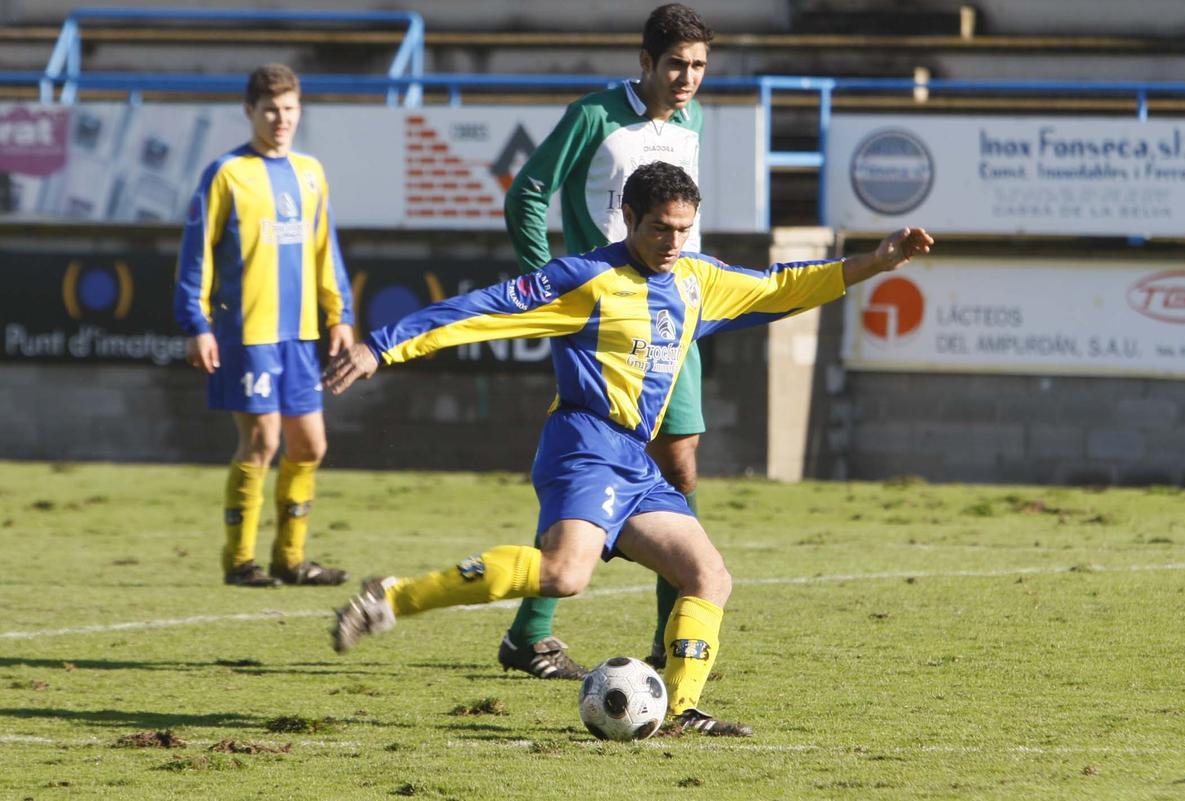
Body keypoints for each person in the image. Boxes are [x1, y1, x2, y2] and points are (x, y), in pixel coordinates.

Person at [324, 161, 934, 736]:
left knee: (708, 576)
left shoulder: (696, 280)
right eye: (661, 228)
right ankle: (393, 598)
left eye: (684, 230)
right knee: (565, 575)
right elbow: (482, 310)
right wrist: (382, 346)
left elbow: (782, 285)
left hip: (635, 460)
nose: (673, 242)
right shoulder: (585, 280)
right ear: (629, 218)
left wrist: (876, 261)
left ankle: (683, 706)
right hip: (584, 443)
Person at [500, 2, 713, 680]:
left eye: (699, 66)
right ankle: (530, 634)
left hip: (673, 324)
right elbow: (527, 193)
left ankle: (666, 641)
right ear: (644, 61)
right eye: (675, 63)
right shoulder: (594, 116)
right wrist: (551, 284)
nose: (686, 78)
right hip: (603, 330)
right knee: (591, 473)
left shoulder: (693, 122)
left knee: (679, 474)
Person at [174, 63, 354, 588]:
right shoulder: (225, 173)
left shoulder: (311, 172)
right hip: (247, 334)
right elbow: (196, 256)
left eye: (290, 108)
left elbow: (326, 250)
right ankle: (240, 562)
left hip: (299, 336)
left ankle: (291, 560)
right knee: (261, 441)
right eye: (271, 109)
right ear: (249, 111)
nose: (281, 119)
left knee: (311, 446)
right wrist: (197, 323)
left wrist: (339, 313)